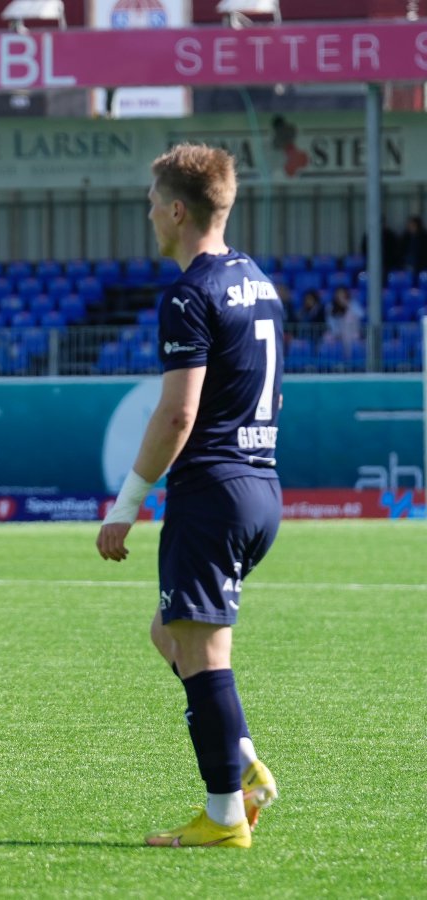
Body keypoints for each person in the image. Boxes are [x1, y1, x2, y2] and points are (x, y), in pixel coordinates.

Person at [97, 144, 283, 849]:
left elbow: (178, 415)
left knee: (204, 656)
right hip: (260, 486)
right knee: (169, 633)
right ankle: (243, 763)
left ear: (178, 211)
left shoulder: (189, 294)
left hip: (212, 491)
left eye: (153, 202)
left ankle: (225, 815)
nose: (148, 213)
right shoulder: (257, 281)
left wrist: (126, 505)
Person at [326, 286, 362, 352]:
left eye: (342, 293)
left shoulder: (352, 303)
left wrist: (347, 304)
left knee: (353, 343)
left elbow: (360, 314)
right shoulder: (330, 306)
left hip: (351, 332)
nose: (341, 296)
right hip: (336, 333)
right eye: (339, 294)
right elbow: (330, 321)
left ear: (346, 294)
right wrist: (336, 332)